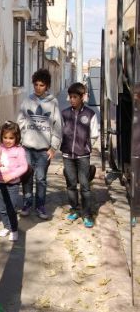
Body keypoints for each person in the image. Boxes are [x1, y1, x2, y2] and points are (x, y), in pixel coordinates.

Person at [17, 68, 62, 220]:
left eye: (41, 85)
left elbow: (57, 126)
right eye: (36, 84)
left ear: (47, 86)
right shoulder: (27, 100)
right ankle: (27, 203)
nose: (38, 87)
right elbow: (21, 121)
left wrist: (54, 147)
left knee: (41, 179)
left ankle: (40, 205)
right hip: (27, 148)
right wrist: (19, 142)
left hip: (44, 150)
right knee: (27, 177)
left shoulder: (53, 102)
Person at [61, 82, 99, 228]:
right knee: (71, 184)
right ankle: (74, 209)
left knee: (84, 185)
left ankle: (87, 214)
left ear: (82, 97)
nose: (72, 99)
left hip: (83, 156)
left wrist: (86, 146)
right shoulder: (65, 113)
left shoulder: (90, 114)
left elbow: (94, 134)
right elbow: (60, 131)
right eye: (70, 97)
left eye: (75, 97)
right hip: (67, 155)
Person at [0, 121, 28, 242]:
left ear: (16, 138)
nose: (8, 140)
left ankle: (14, 229)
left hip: (13, 185)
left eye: (11, 138)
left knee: (11, 207)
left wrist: (11, 176)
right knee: (2, 207)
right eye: (5, 137)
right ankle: (6, 227)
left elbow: (24, 167)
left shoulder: (19, 150)